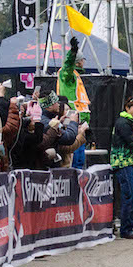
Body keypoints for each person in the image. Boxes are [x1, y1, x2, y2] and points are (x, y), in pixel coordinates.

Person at [110, 98, 133, 239]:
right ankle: (126, 229)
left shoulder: (128, 122)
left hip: (128, 162)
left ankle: (128, 227)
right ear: (127, 108)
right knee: (129, 197)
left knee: (131, 197)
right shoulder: (123, 123)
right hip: (122, 162)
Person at [56, 36, 91, 169]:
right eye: (82, 59)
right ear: (78, 61)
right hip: (73, 121)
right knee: (75, 160)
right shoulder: (67, 74)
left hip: (79, 123)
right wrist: (73, 52)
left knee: (79, 159)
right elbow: (67, 66)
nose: (84, 62)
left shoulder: (75, 75)